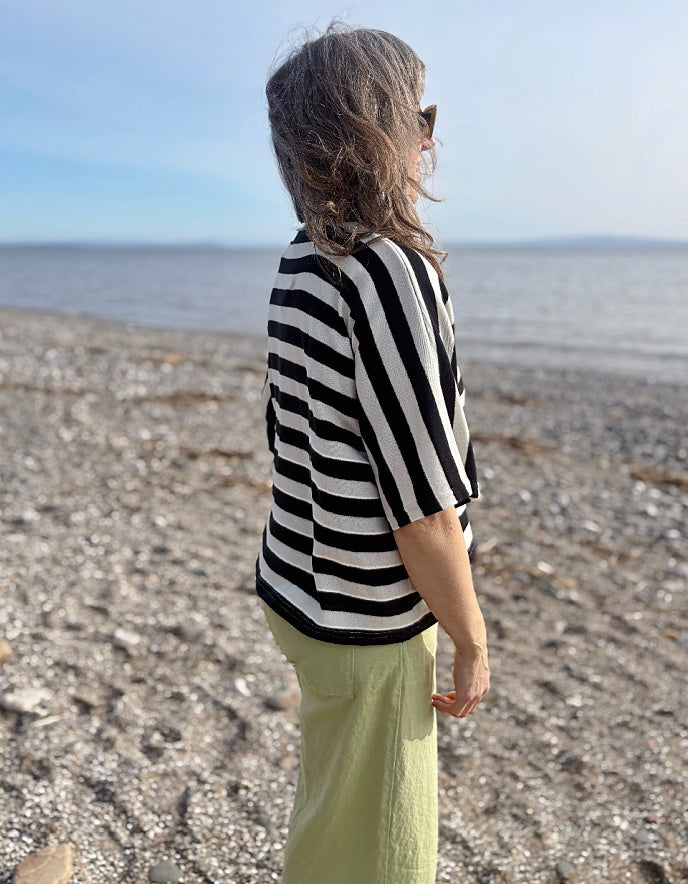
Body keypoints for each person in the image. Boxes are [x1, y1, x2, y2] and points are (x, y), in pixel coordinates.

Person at [255, 24, 490, 884]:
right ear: (375, 130)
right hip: (369, 616)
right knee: (386, 850)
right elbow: (422, 504)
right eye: (419, 116)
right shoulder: (388, 269)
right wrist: (469, 637)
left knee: (335, 801)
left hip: (297, 585)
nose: (432, 138)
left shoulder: (302, 260)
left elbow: (289, 435)